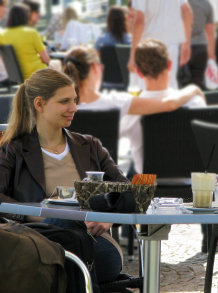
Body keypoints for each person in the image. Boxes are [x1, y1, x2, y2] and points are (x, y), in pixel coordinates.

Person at [0, 68, 125, 291]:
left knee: (69, 222)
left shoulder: (89, 146)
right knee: (63, 217)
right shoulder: (13, 149)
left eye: (75, 100)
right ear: (39, 104)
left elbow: (127, 190)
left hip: (96, 246)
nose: (74, 108)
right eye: (64, 101)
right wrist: (39, 213)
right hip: (37, 243)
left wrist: (108, 218)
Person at [62, 45, 205, 174]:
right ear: (94, 68)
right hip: (103, 187)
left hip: (63, 184)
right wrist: (193, 89)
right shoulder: (116, 102)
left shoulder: (55, 106)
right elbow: (170, 104)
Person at [125, 38, 206, 174]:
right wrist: (193, 89)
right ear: (169, 65)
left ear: (139, 72)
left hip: (149, 187)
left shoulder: (133, 108)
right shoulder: (195, 102)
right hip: (191, 184)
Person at [127, 0, 193, 90]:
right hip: (171, 44)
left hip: (147, 47)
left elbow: (139, 21)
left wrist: (133, 55)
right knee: (170, 86)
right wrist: (186, 44)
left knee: (144, 89)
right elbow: (187, 11)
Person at [0, 3, 49, 80]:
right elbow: (46, 59)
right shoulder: (31, 32)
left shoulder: (3, 35)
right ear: (26, 17)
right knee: (58, 64)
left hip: (17, 77)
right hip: (38, 73)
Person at [179, 0, 215, 89]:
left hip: (181, 47)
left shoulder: (180, 3)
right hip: (201, 47)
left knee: (179, 82)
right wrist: (211, 55)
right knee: (197, 83)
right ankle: (194, 102)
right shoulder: (206, 4)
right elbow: (210, 31)